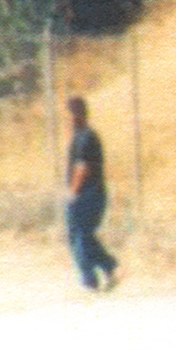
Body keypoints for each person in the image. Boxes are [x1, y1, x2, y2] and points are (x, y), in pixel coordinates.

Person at [65, 96, 120, 291]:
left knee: (80, 236)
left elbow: (83, 167)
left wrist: (73, 192)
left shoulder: (86, 137)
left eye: (71, 115)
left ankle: (91, 278)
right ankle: (108, 268)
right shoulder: (81, 136)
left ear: (76, 116)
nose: (69, 120)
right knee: (81, 235)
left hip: (88, 194)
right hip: (87, 193)